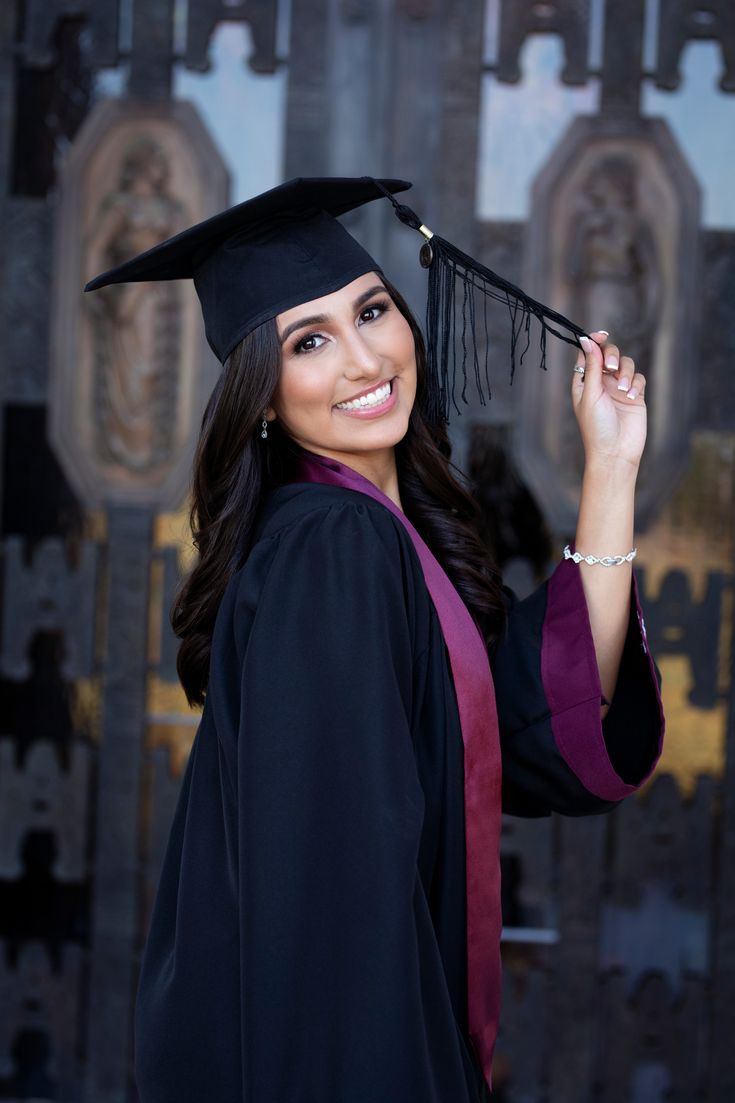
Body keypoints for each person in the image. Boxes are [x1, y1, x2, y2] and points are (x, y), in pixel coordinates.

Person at [85, 177, 665, 1103]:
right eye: (308, 342)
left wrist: (611, 464)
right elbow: (335, 902)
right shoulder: (332, 547)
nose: (362, 359)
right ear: (262, 396)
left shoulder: (375, 533)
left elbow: (526, 720)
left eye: (371, 311)